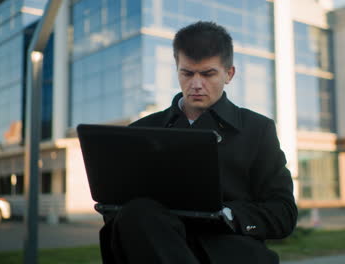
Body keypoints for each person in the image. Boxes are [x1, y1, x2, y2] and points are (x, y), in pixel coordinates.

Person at [99, 21, 297, 264]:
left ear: (229, 74)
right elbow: (115, 211)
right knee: (138, 212)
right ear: (177, 70)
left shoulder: (257, 130)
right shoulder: (141, 131)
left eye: (208, 74)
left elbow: (283, 213)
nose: (196, 84)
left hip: (229, 252)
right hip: (154, 244)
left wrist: (227, 215)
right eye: (187, 73)